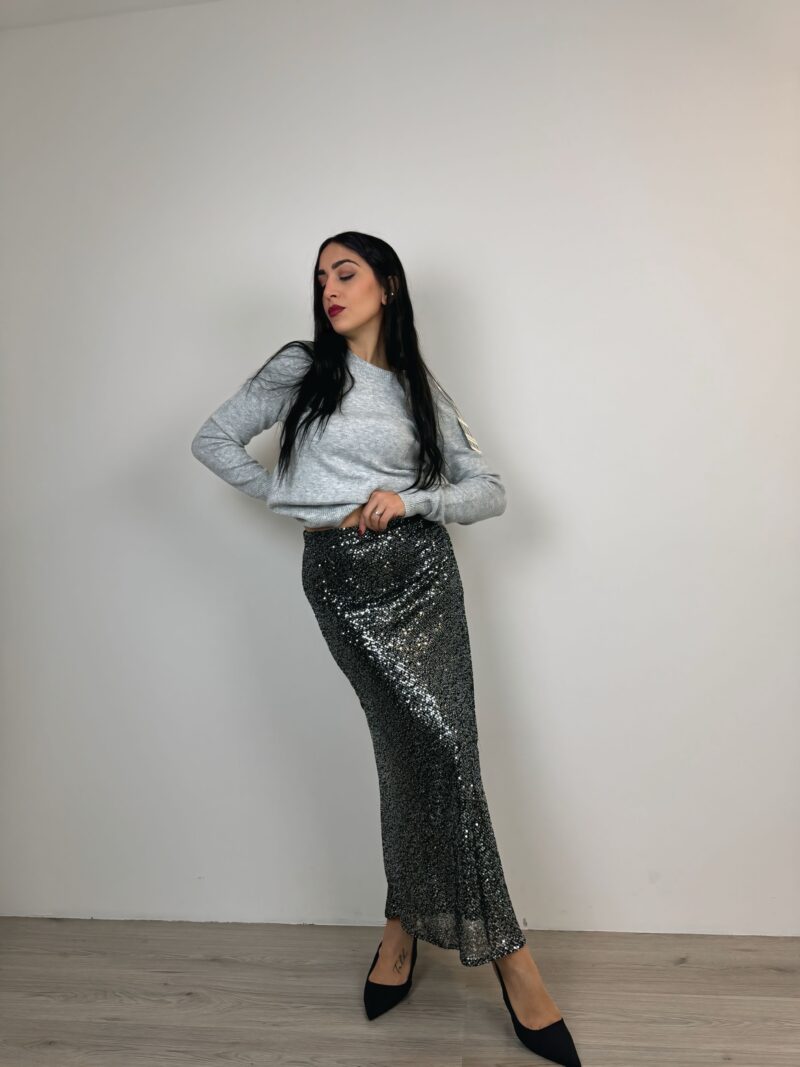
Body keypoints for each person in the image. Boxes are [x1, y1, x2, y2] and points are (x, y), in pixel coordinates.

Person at [191, 231, 581, 1066]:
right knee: (419, 751)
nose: (329, 289)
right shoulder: (301, 367)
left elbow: (489, 491)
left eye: (346, 272)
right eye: (320, 277)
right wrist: (303, 501)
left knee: (439, 757)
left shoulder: (418, 387)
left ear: (388, 286)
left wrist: (412, 502)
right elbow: (213, 440)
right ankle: (513, 961)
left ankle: (403, 929)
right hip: (342, 582)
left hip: (424, 578)